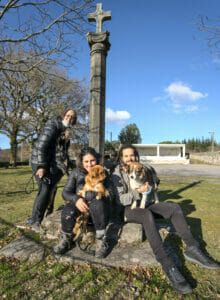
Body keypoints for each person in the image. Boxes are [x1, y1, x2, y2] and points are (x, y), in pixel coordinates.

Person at [111, 144, 219, 295]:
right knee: (147, 215)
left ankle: (193, 248)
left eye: (132, 155)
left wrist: (151, 187)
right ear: (121, 158)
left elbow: (155, 183)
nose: (130, 158)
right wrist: (137, 193)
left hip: (148, 203)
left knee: (174, 208)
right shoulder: (116, 173)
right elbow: (120, 200)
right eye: (126, 156)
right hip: (129, 209)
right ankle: (169, 266)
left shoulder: (144, 167)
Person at [53, 146, 114, 258]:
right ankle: (66, 239)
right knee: (68, 211)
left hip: (99, 209)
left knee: (98, 204)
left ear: (97, 160)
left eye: (92, 160)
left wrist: (90, 195)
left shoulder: (103, 172)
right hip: (79, 209)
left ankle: (101, 241)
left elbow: (110, 194)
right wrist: (76, 199)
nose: (89, 164)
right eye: (86, 161)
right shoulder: (76, 173)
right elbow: (65, 193)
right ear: (81, 162)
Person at [30, 109, 77, 232]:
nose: (69, 118)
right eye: (68, 115)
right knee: (44, 190)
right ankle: (35, 222)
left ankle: (38, 218)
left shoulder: (62, 131)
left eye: (72, 117)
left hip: (50, 164)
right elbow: (41, 146)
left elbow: (61, 153)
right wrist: (41, 166)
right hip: (39, 161)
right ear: (63, 115)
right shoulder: (52, 126)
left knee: (49, 191)